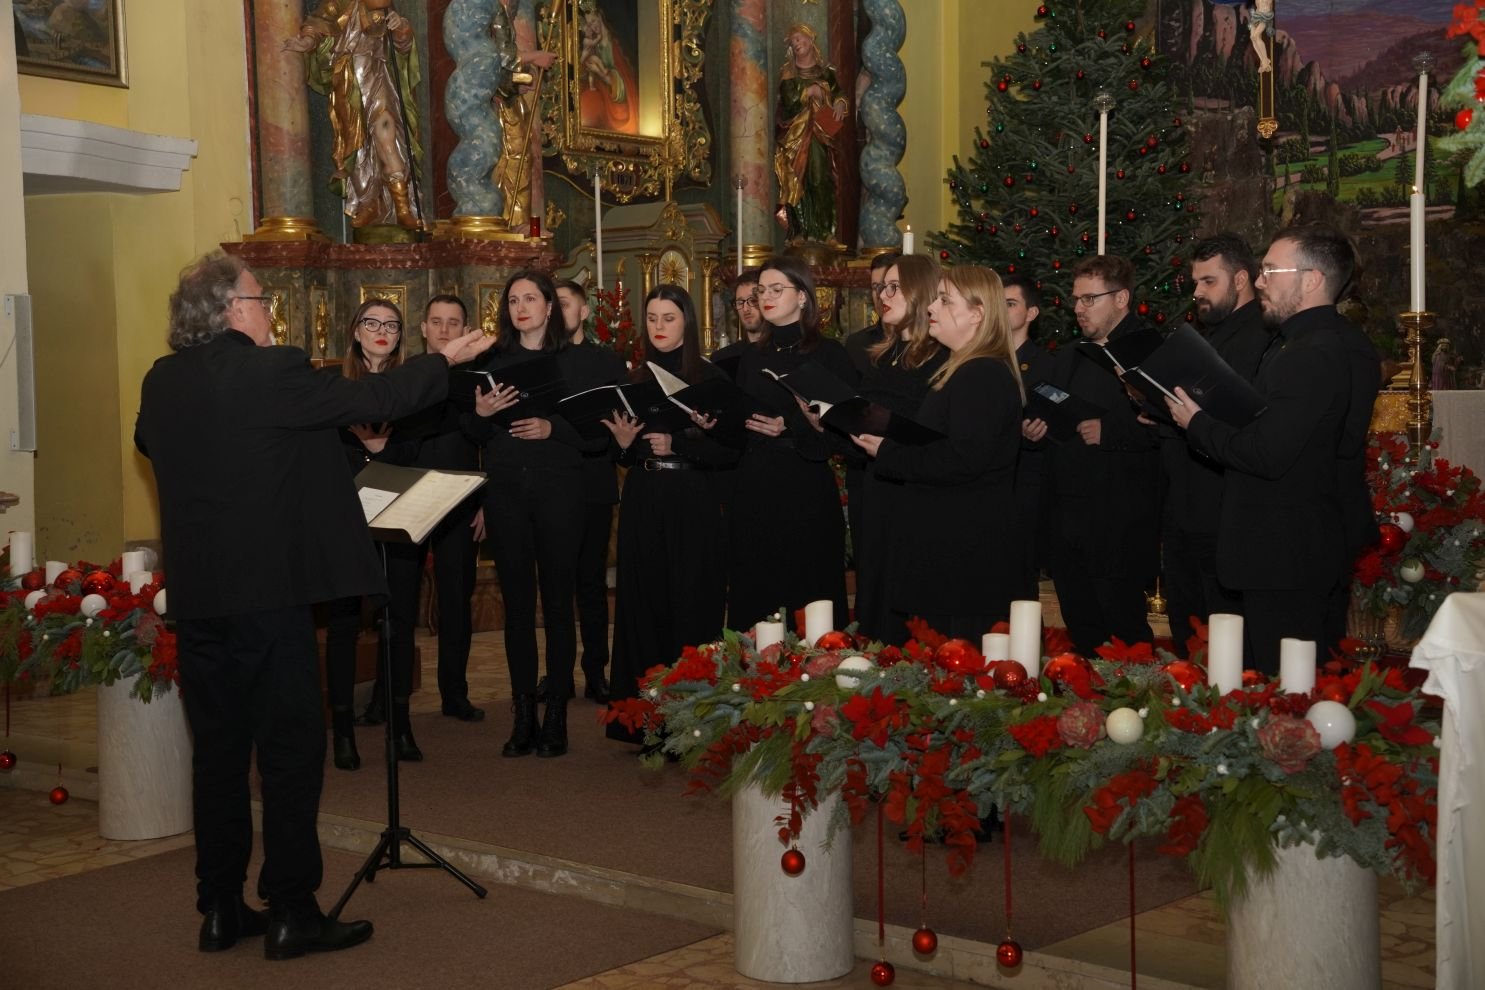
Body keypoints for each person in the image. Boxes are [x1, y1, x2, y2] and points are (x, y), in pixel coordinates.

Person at [135, 251, 492, 959]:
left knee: (218, 757)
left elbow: (153, 443)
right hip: (270, 601)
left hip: (200, 602)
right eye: (262, 300)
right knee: (291, 756)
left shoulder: (162, 379)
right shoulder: (272, 372)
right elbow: (378, 403)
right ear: (233, 310)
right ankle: (293, 909)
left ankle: (219, 907)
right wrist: (442, 359)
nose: (270, 312)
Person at [1165, 224, 1358, 673]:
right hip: (1277, 549)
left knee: (1286, 688)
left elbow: (1267, 453)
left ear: (1311, 280)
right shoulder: (1297, 345)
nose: (1258, 280)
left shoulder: (1311, 352)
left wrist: (1196, 423)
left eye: (1271, 269)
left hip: (1286, 551)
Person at [464, 270, 598, 758]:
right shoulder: (491, 360)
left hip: (561, 489)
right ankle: (522, 715)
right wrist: (480, 415)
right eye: (513, 299)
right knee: (517, 605)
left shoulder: (577, 363)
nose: (521, 307)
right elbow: (473, 434)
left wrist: (552, 427)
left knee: (559, 603)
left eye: (531, 298)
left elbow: (597, 434)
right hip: (506, 492)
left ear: (549, 307)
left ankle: (556, 714)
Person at [853, 265, 1024, 639]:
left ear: (977, 314)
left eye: (945, 300)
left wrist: (889, 452)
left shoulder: (981, 373)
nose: (932, 306)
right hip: (948, 543)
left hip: (963, 550)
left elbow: (963, 459)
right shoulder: (962, 369)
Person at [602, 286, 737, 743]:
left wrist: (682, 443)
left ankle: (690, 721)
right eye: (653, 318)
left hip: (692, 500)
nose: (659, 327)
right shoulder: (635, 377)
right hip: (644, 495)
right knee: (643, 602)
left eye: (669, 318)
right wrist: (622, 446)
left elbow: (730, 452)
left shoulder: (710, 377)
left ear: (687, 323)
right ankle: (641, 722)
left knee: (690, 602)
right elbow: (620, 450)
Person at [1023, 255, 1160, 654]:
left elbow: (1174, 427)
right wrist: (1036, 427)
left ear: (1121, 299)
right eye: (1077, 300)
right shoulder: (1070, 354)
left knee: (1124, 631)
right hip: (1068, 516)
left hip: (1119, 519)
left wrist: (1112, 431)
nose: (1079, 309)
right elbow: (1050, 406)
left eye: (1090, 299)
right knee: (1080, 622)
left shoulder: (1151, 351)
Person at [323, 298, 427, 768]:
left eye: (391, 325)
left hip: (399, 520)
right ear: (355, 331)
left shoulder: (413, 388)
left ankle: (399, 727)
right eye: (372, 323)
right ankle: (342, 731)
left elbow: (420, 452)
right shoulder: (333, 385)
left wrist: (388, 447)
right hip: (345, 521)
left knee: (400, 624)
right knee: (344, 627)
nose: (381, 331)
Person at [728, 256, 853, 629]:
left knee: (809, 594)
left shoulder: (830, 354)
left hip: (805, 488)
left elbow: (848, 427)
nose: (764, 298)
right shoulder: (750, 356)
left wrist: (793, 424)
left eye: (775, 290)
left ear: (802, 296)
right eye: (760, 291)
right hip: (755, 488)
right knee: (757, 594)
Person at [1159, 235, 1269, 654]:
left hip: (1221, 505)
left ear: (1241, 278)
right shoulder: (1210, 335)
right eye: (1195, 282)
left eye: (1208, 281)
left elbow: (1241, 417)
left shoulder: (1259, 335)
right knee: (1188, 622)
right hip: (1186, 501)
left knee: (1223, 633)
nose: (1197, 292)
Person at [398, 295, 488, 724]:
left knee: (455, 600)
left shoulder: (479, 379)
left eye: (454, 322)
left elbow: (491, 443)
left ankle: (455, 693)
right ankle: (390, 695)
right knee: (397, 603)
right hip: (408, 500)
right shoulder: (406, 376)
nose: (445, 330)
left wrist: (484, 503)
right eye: (436, 321)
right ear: (423, 327)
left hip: (459, 501)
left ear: (465, 328)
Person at [850, 254, 946, 643]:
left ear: (921, 294)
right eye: (880, 288)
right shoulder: (881, 354)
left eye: (894, 288)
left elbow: (932, 431)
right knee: (874, 590)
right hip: (875, 489)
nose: (883, 296)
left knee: (906, 606)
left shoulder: (941, 357)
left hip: (913, 495)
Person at [286, 0, 426, 231]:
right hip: (348, 82)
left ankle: (402, 208)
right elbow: (319, 22)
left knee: (386, 132)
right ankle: (368, 203)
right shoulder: (340, 4)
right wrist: (308, 40)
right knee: (357, 147)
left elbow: (403, 48)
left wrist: (401, 28)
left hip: (380, 76)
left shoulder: (388, 11)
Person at [555, 279, 626, 703]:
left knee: (592, 585)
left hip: (595, 482)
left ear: (583, 311)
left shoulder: (607, 360)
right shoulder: (540, 362)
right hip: (552, 485)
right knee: (556, 587)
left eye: (564, 303)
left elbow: (612, 420)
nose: (557, 311)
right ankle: (558, 674)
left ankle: (596, 670)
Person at [1003, 274, 1054, 602]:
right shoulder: (982, 359)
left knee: (1019, 573)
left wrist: (1039, 427)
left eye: (1010, 304)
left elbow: (1056, 416)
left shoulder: (1047, 364)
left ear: (1031, 313)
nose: (1002, 310)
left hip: (1026, 479)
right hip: (991, 477)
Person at [773, 24, 848, 244]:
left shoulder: (825, 72)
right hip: (794, 134)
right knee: (796, 181)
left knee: (819, 178)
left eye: (800, 38)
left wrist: (841, 104)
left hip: (819, 133)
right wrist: (809, 92)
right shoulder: (788, 72)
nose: (797, 43)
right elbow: (789, 100)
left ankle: (825, 231)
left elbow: (839, 93)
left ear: (810, 39)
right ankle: (798, 232)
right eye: (793, 41)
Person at [490, 0, 557, 228]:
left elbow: (503, 67)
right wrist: (533, 56)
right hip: (490, 103)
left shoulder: (507, 13)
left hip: (505, 97)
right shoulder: (487, 10)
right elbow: (497, 55)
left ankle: (519, 221)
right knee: (504, 159)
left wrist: (515, 82)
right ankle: (504, 220)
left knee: (521, 156)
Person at [710, 268, 766, 378]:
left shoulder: (782, 354)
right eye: (740, 302)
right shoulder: (722, 359)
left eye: (753, 301)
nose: (745, 309)